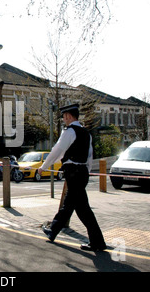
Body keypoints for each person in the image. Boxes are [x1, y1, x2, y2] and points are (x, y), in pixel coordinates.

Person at [38, 104, 107, 252]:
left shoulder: (69, 132)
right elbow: (90, 156)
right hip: (81, 172)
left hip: (73, 172)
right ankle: (55, 230)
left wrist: (43, 167)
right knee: (76, 207)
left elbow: (57, 151)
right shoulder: (86, 133)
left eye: (64, 117)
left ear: (69, 116)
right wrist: (86, 172)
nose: (64, 120)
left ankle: (97, 242)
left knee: (77, 208)